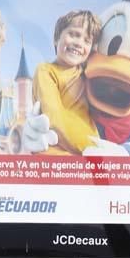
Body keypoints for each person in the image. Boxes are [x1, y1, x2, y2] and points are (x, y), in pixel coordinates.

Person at [30, 9, 101, 155]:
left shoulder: (86, 74)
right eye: (73, 34)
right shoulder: (46, 71)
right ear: (56, 38)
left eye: (87, 40)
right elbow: (53, 118)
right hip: (57, 153)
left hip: (90, 154)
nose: (79, 43)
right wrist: (92, 149)